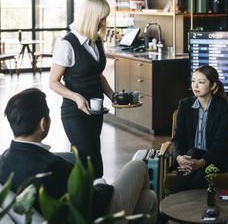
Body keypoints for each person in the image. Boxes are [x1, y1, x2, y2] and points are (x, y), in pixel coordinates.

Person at [0, 88, 158, 223]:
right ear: (43, 123)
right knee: (138, 165)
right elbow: (94, 203)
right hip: (97, 217)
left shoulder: (4, 160)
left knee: (148, 200)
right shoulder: (52, 168)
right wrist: (101, 186)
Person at [49, 0, 114, 178]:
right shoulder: (67, 44)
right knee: (88, 160)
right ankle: (91, 200)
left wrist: (112, 95)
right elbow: (53, 82)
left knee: (93, 156)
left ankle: (93, 199)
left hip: (95, 110)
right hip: (74, 112)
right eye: (102, 17)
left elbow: (97, 75)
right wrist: (77, 97)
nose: (104, 21)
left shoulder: (96, 41)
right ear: (92, 16)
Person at [171, 65, 228, 192]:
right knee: (194, 156)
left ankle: (173, 207)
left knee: (198, 170)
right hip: (188, 159)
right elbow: (177, 138)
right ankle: (192, 210)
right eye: (193, 81)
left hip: (213, 160)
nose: (195, 86)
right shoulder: (185, 105)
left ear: (213, 86)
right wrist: (179, 158)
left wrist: (200, 163)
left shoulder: (222, 109)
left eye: (201, 82)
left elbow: (220, 145)